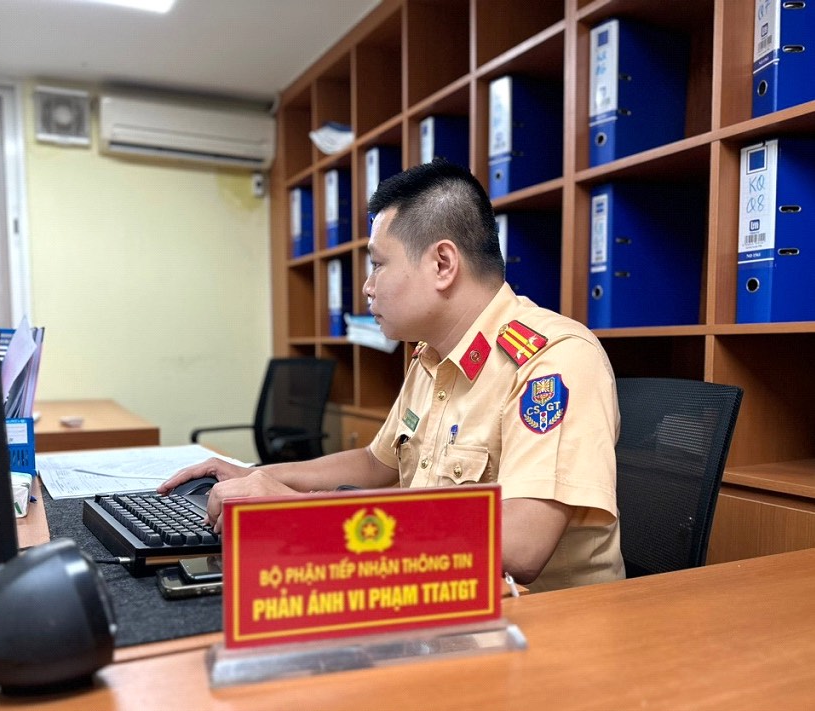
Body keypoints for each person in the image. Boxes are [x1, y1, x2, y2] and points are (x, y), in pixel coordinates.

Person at [160, 158, 625, 592]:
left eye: (378, 264)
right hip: (434, 599)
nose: (366, 287)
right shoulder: (431, 357)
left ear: (443, 264)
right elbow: (375, 464)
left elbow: (522, 546)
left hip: (546, 634)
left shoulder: (554, 360)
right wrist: (253, 475)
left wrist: (296, 510)